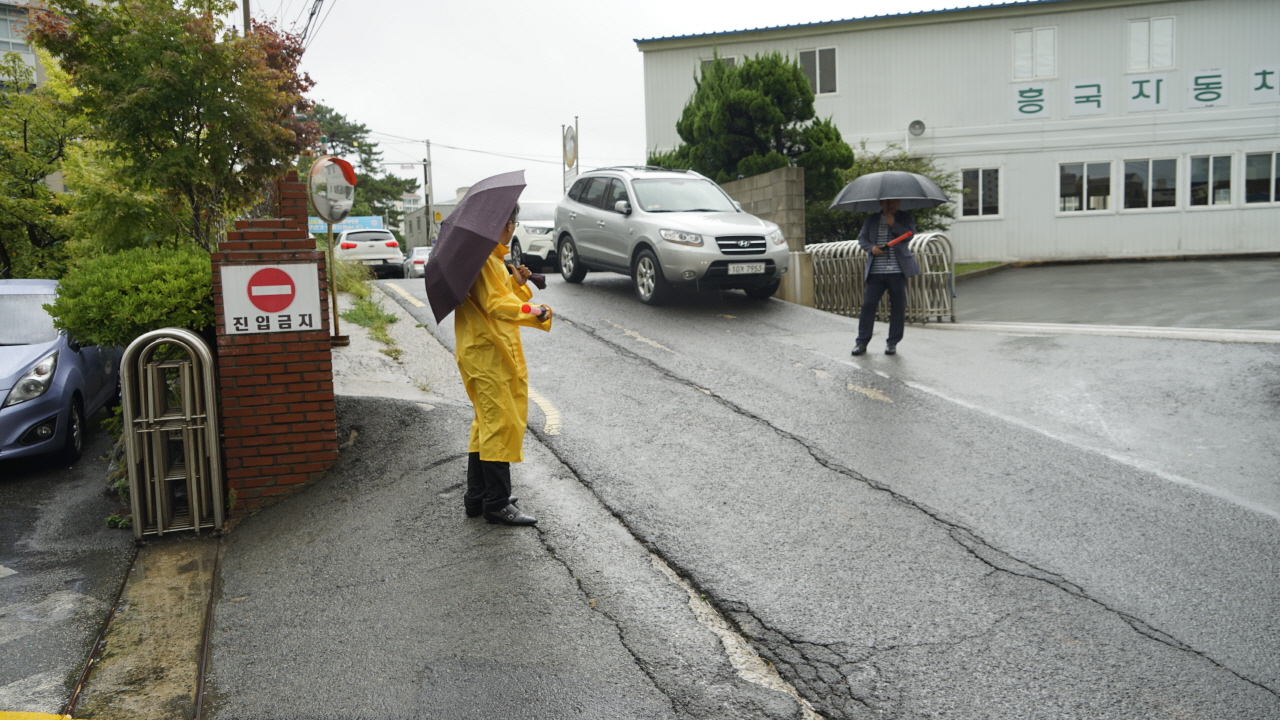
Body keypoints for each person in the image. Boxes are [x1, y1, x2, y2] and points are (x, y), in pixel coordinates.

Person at [456, 204, 553, 526]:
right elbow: (496, 304)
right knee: (499, 423)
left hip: (481, 348)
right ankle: (496, 503)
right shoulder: (486, 259)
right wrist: (534, 310)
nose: (513, 228)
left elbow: (494, 295)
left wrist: (516, 283)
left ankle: (478, 495)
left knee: (485, 423)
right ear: (505, 223)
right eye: (513, 222)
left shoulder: (486, 257)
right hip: (489, 351)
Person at [852, 199, 920, 356]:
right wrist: (871, 248)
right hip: (876, 271)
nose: (892, 205)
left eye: (895, 202)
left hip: (897, 270)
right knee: (868, 305)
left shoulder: (905, 217)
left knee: (898, 306)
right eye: (889, 202)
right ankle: (861, 342)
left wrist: (893, 224)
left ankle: (892, 342)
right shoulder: (872, 219)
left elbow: (908, 236)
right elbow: (862, 239)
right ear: (882, 203)